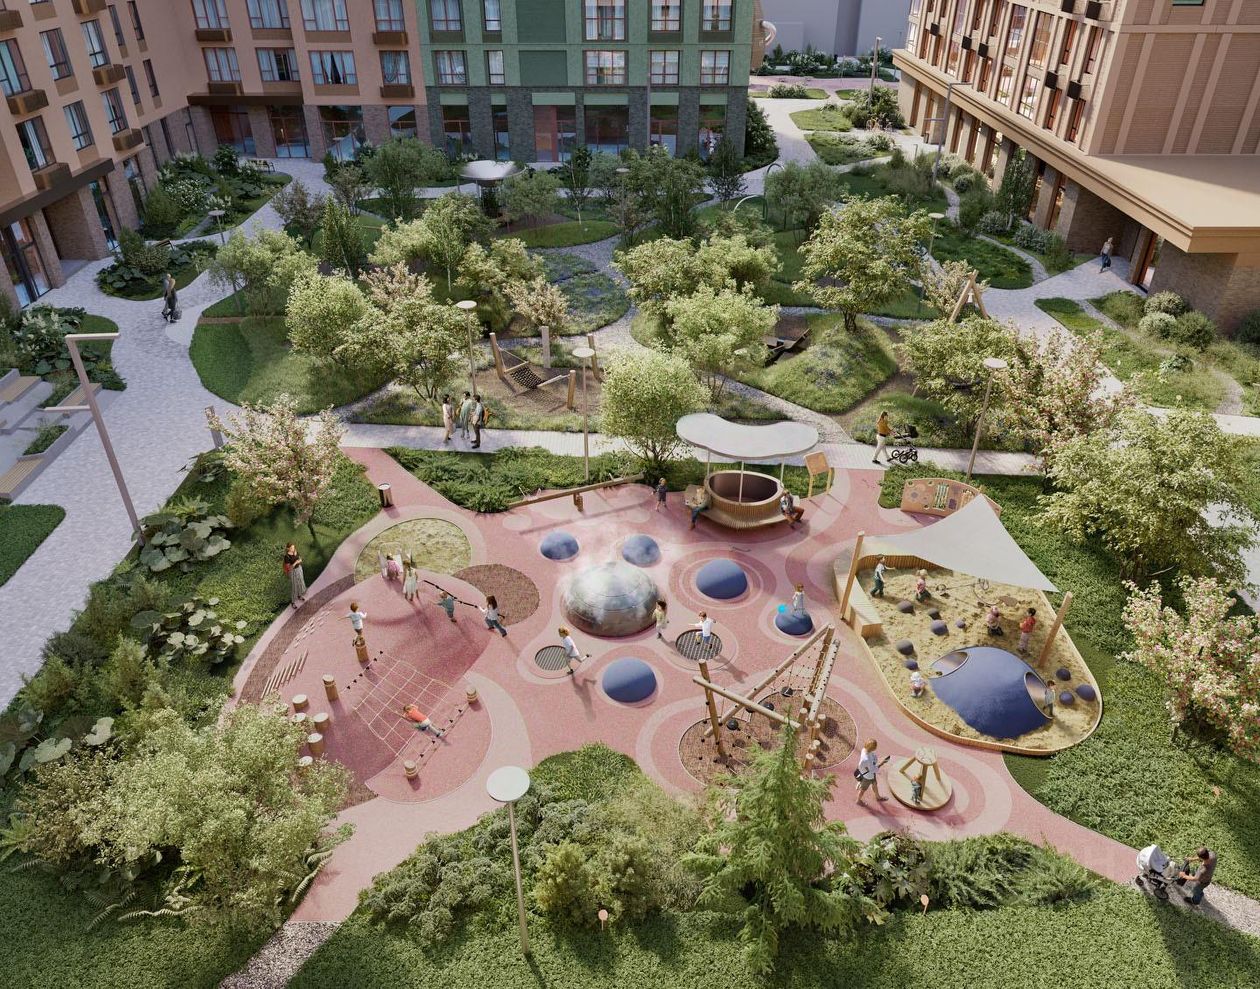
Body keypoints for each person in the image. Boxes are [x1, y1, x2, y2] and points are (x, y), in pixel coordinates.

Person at [855, 738, 889, 804]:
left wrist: (874, 760)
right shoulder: (867, 759)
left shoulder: (864, 749)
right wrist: (881, 763)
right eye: (875, 747)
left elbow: (873, 756)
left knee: (874, 783)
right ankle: (858, 800)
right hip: (868, 776)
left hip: (869, 774)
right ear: (872, 748)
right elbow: (873, 770)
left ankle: (878, 797)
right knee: (863, 789)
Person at [283, 543, 306, 609]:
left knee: (300, 582)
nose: (293, 549)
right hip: (293, 571)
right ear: (288, 548)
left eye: (294, 547)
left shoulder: (296, 552)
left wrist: (299, 560)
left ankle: (299, 596)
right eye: (292, 548)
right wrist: (296, 562)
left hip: (299, 569)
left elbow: (300, 559)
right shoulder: (287, 557)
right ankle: (293, 602)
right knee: (294, 585)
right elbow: (289, 568)